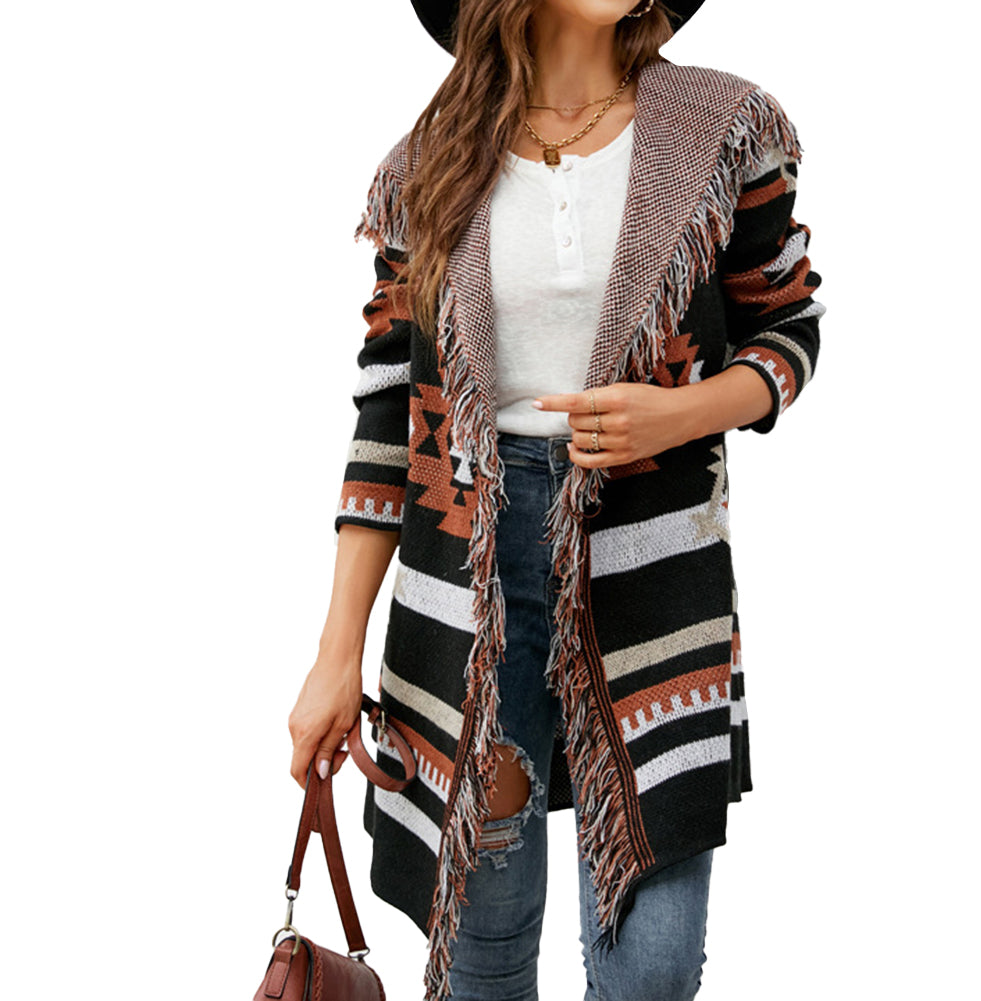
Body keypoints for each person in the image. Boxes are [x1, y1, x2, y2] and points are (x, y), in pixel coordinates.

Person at [288, 2, 825, 999]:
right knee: (484, 957)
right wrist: (335, 654)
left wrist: (681, 413)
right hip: (465, 586)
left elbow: (787, 329)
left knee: (652, 967)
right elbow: (386, 419)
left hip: (652, 575)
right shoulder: (429, 161)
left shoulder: (722, 128)